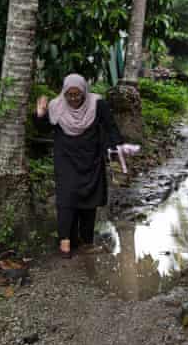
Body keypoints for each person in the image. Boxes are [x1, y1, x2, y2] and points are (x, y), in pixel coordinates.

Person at [35, 74, 124, 257]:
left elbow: (111, 128)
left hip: (91, 159)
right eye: (70, 95)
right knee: (66, 198)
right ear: (64, 93)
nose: (73, 99)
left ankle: (85, 240)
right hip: (66, 159)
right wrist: (40, 114)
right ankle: (66, 243)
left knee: (88, 199)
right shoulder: (56, 106)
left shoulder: (97, 104)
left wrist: (114, 151)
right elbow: (43, 128)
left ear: (84, 91)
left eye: (77, 95)